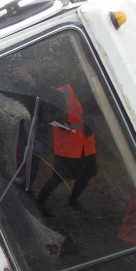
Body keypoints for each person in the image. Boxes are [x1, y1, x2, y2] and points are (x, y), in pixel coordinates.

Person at [35, 82, 96, 215]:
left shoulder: (90, 90)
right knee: (58, 177)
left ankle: (73, 200)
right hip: (68, 145)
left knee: (87, 175)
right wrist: (63, 125)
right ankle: (40, 204)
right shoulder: (61, 92)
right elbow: (47, 116)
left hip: (86, 143)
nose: (85, 77)